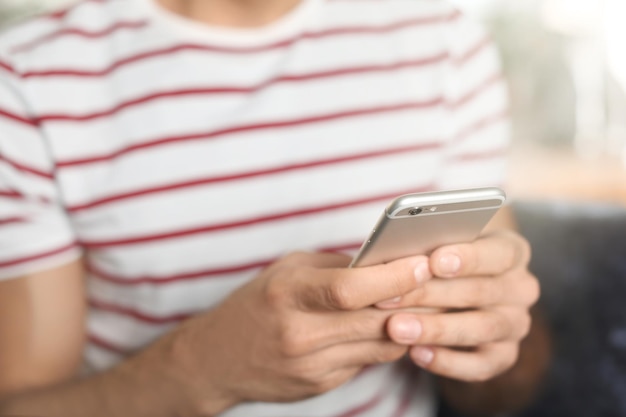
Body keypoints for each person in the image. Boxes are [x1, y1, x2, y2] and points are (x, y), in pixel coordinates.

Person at [0, 0, 549, 416]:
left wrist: (496, 340)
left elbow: (500, 384)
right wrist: (204, 368)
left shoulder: (442, 35)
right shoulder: (29, 80)